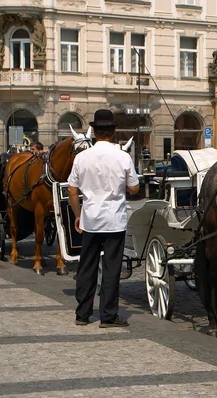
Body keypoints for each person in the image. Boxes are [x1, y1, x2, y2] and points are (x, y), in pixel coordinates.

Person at [68, 109, 140, 328]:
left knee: (87, 267)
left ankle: (82, 314)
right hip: (114, 220)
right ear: (113, 131)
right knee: (111, 269)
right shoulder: (123, 156)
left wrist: (77, 214)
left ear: (95, 132)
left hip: (90, 219)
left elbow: (72, 189)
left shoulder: (81, 157)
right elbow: (135, 188)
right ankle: (108, 316)